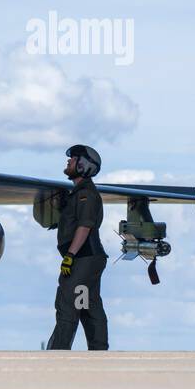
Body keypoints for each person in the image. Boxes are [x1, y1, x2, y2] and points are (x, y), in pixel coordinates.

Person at [47, 144, 109, 350]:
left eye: (73, 159)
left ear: (83, 165)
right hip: (88, 258)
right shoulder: (79, 194)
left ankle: (58, 352)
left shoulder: (86, 195)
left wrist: (70, 256)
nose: (68, 162)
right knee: (87, 304)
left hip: (82, 258)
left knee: (68, 303)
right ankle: (98, 351)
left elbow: (85, 226)